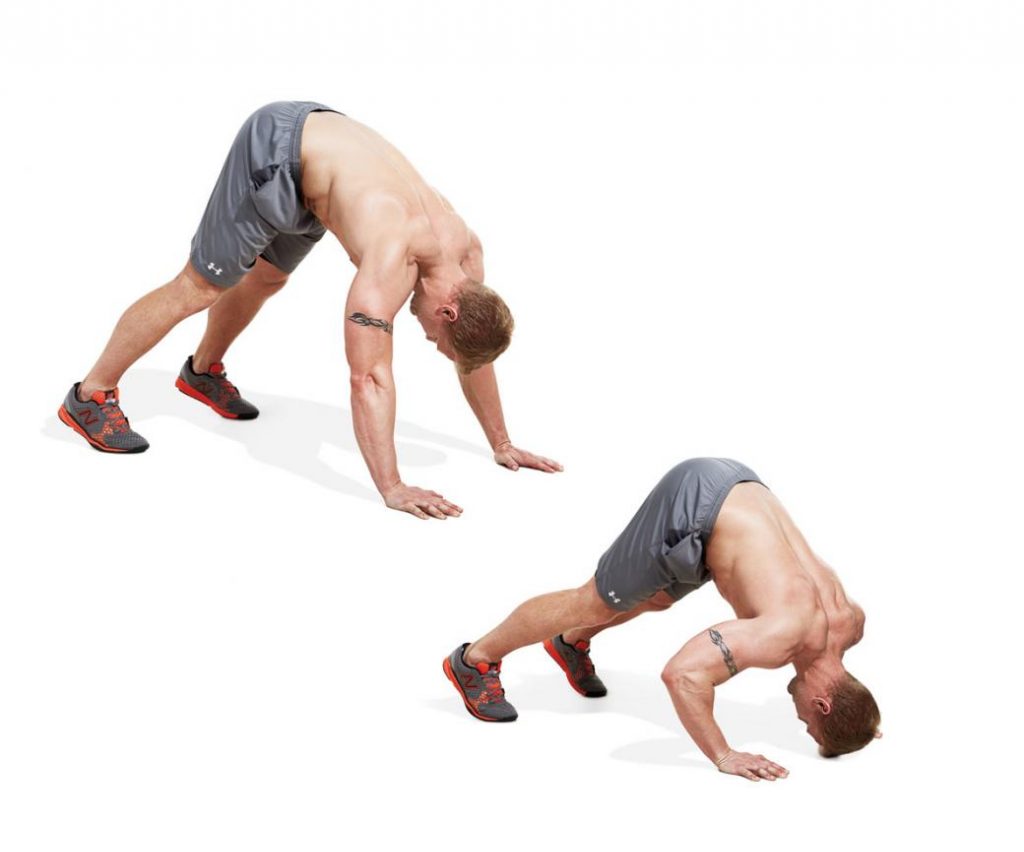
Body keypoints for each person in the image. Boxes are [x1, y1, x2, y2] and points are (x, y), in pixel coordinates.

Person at [58, 101, 561, 519]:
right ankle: (90, 395)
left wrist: (501, 442)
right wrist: (392, 486)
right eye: (436, 341)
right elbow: (369, 378)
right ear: (447, 313)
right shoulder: (392, 259)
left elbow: (474, 352)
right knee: (199, 287)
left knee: (268, 277)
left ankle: (202, 373)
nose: (429, 341)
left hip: (320, 171)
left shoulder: (466, 262)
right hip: (278, 151)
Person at [443, 457, 881, 780]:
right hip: (697, 502)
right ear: (822, 703)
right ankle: (474, 660)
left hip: (741, 490)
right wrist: (724, 755)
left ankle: (569, 643)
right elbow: (683, 675)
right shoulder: (780, 639)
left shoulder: (850, 622)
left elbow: (848, 702)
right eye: (806, 722)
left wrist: (861, 725)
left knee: (655, 598)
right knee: (593, 601)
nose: (798, 718)